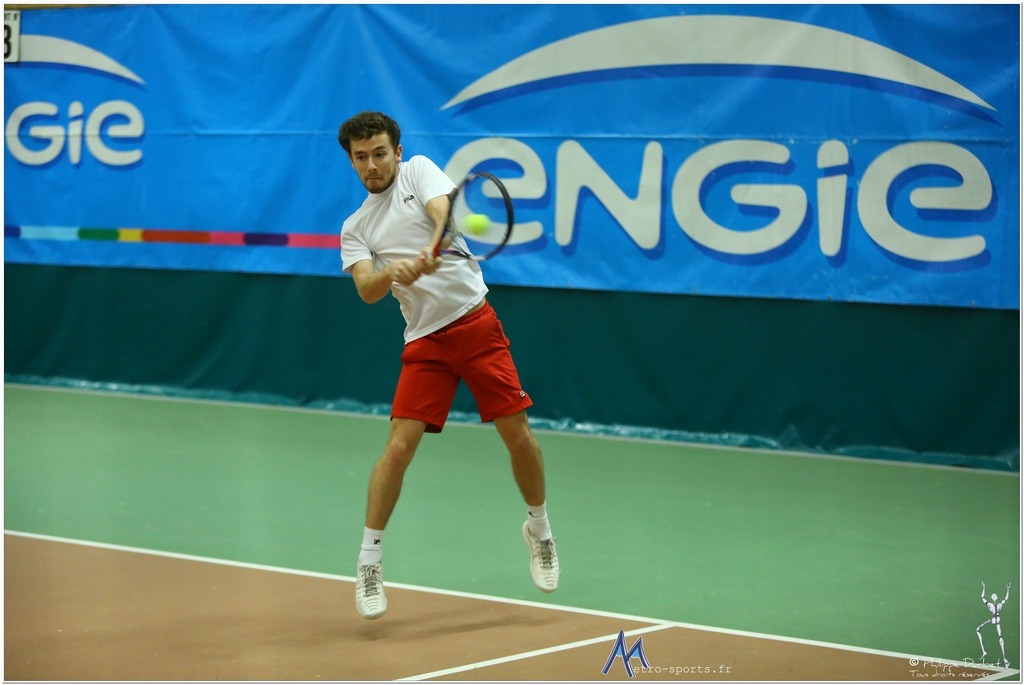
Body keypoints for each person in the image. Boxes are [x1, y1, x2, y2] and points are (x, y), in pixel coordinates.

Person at [337, 111, 559, 620]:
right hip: (426, 343)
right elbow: (367, 289)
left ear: (396, 151)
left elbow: (442, 211)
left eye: (379, 153)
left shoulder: (418, 171)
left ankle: (540, 529)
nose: (372, 165)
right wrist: (395, 270)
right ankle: (369, 562)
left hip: (476, 325)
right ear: (351, 161)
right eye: (361, 157)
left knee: (518, 436)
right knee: (398, 448)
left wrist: (432, 242)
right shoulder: (356, 227)